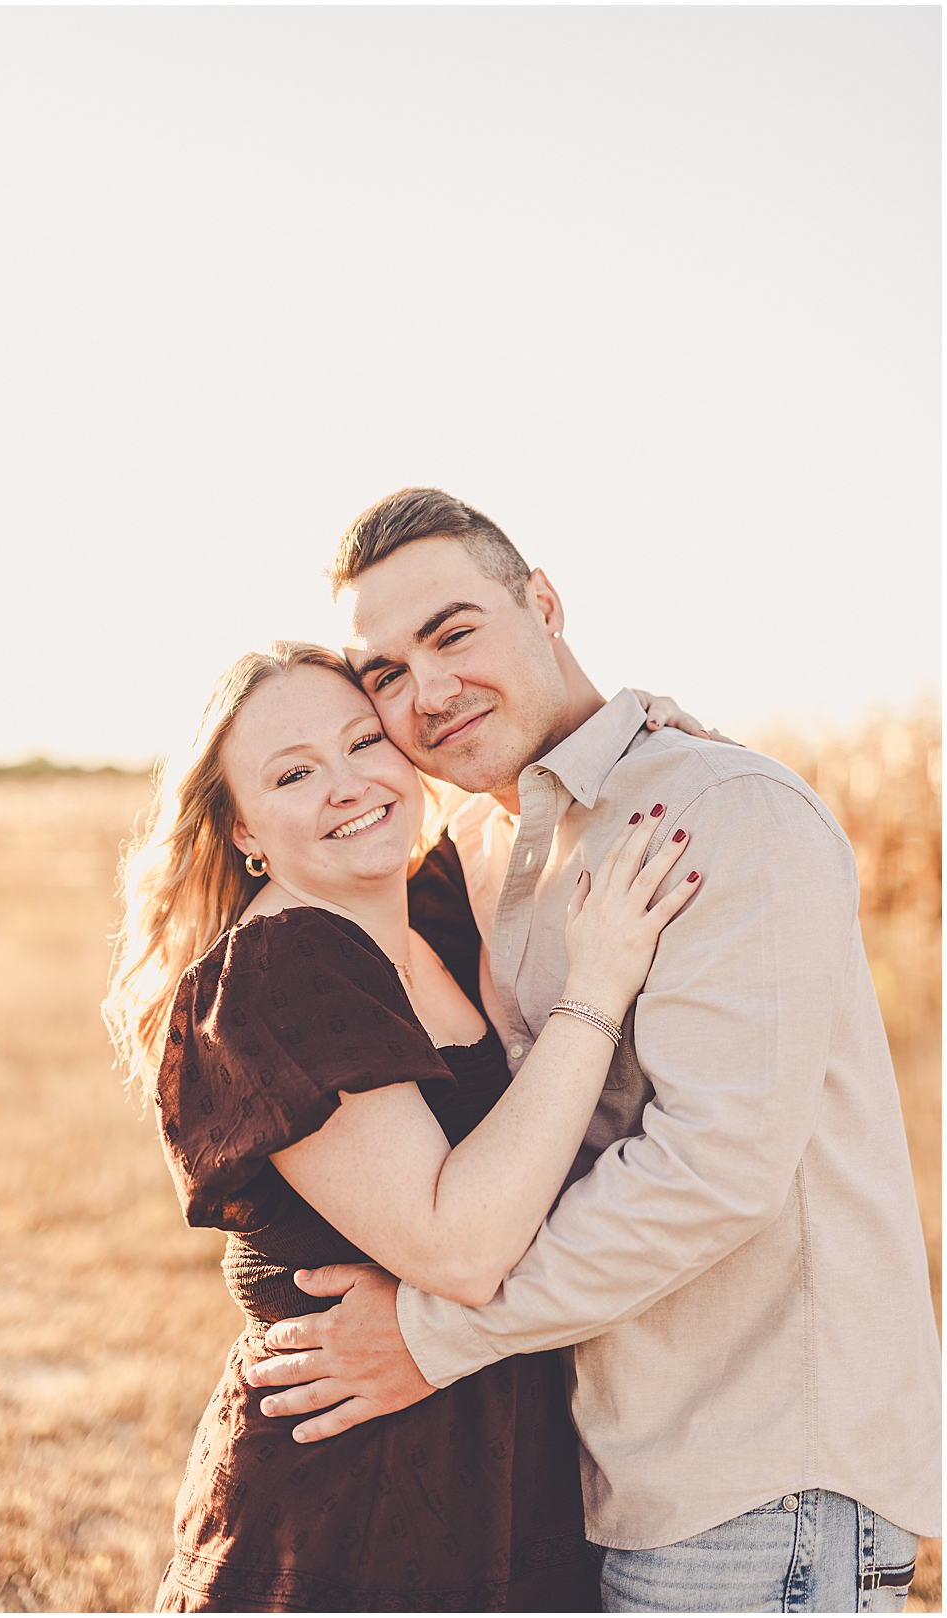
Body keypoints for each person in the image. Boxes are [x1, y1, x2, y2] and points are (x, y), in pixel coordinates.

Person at [247, 488, 941, 1614]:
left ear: (545, 602)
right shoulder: (483, 843)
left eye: (454, 632)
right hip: (615, 1468)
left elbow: (714, 1165)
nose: (427, 693)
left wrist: (425, 1335)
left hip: (760, 1483)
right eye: (383, 672)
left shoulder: (722, 811)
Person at [103, 640, 707, 1613]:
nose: (348, 786)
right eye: (295, 772)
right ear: (244, 828)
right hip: (353, 1507)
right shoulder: (278, 970)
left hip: (510, 1476)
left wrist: (648, 749)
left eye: (364, 742)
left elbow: (518, 792)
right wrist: (594, 993)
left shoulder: (430, 914)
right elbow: (459, 1250)